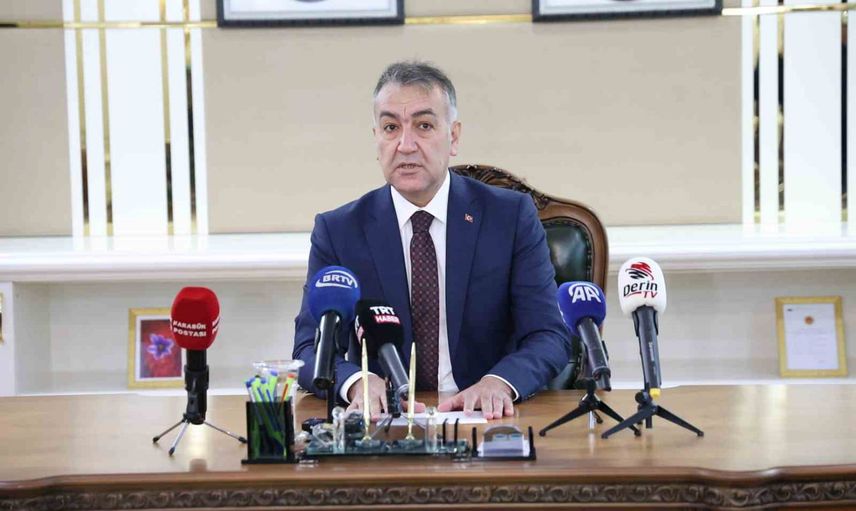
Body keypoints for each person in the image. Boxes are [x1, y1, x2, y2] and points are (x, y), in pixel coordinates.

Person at [292, 61, 570, 420]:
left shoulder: (509, 217)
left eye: (423, 126)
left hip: (484, 418)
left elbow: (549, 335)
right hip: (387, 422)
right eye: (391, 127)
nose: (405, 145)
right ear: (376, 138)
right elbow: (308, 347)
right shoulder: (340, 230)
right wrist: (358, 382)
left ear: (453, 136)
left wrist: (499, 382)